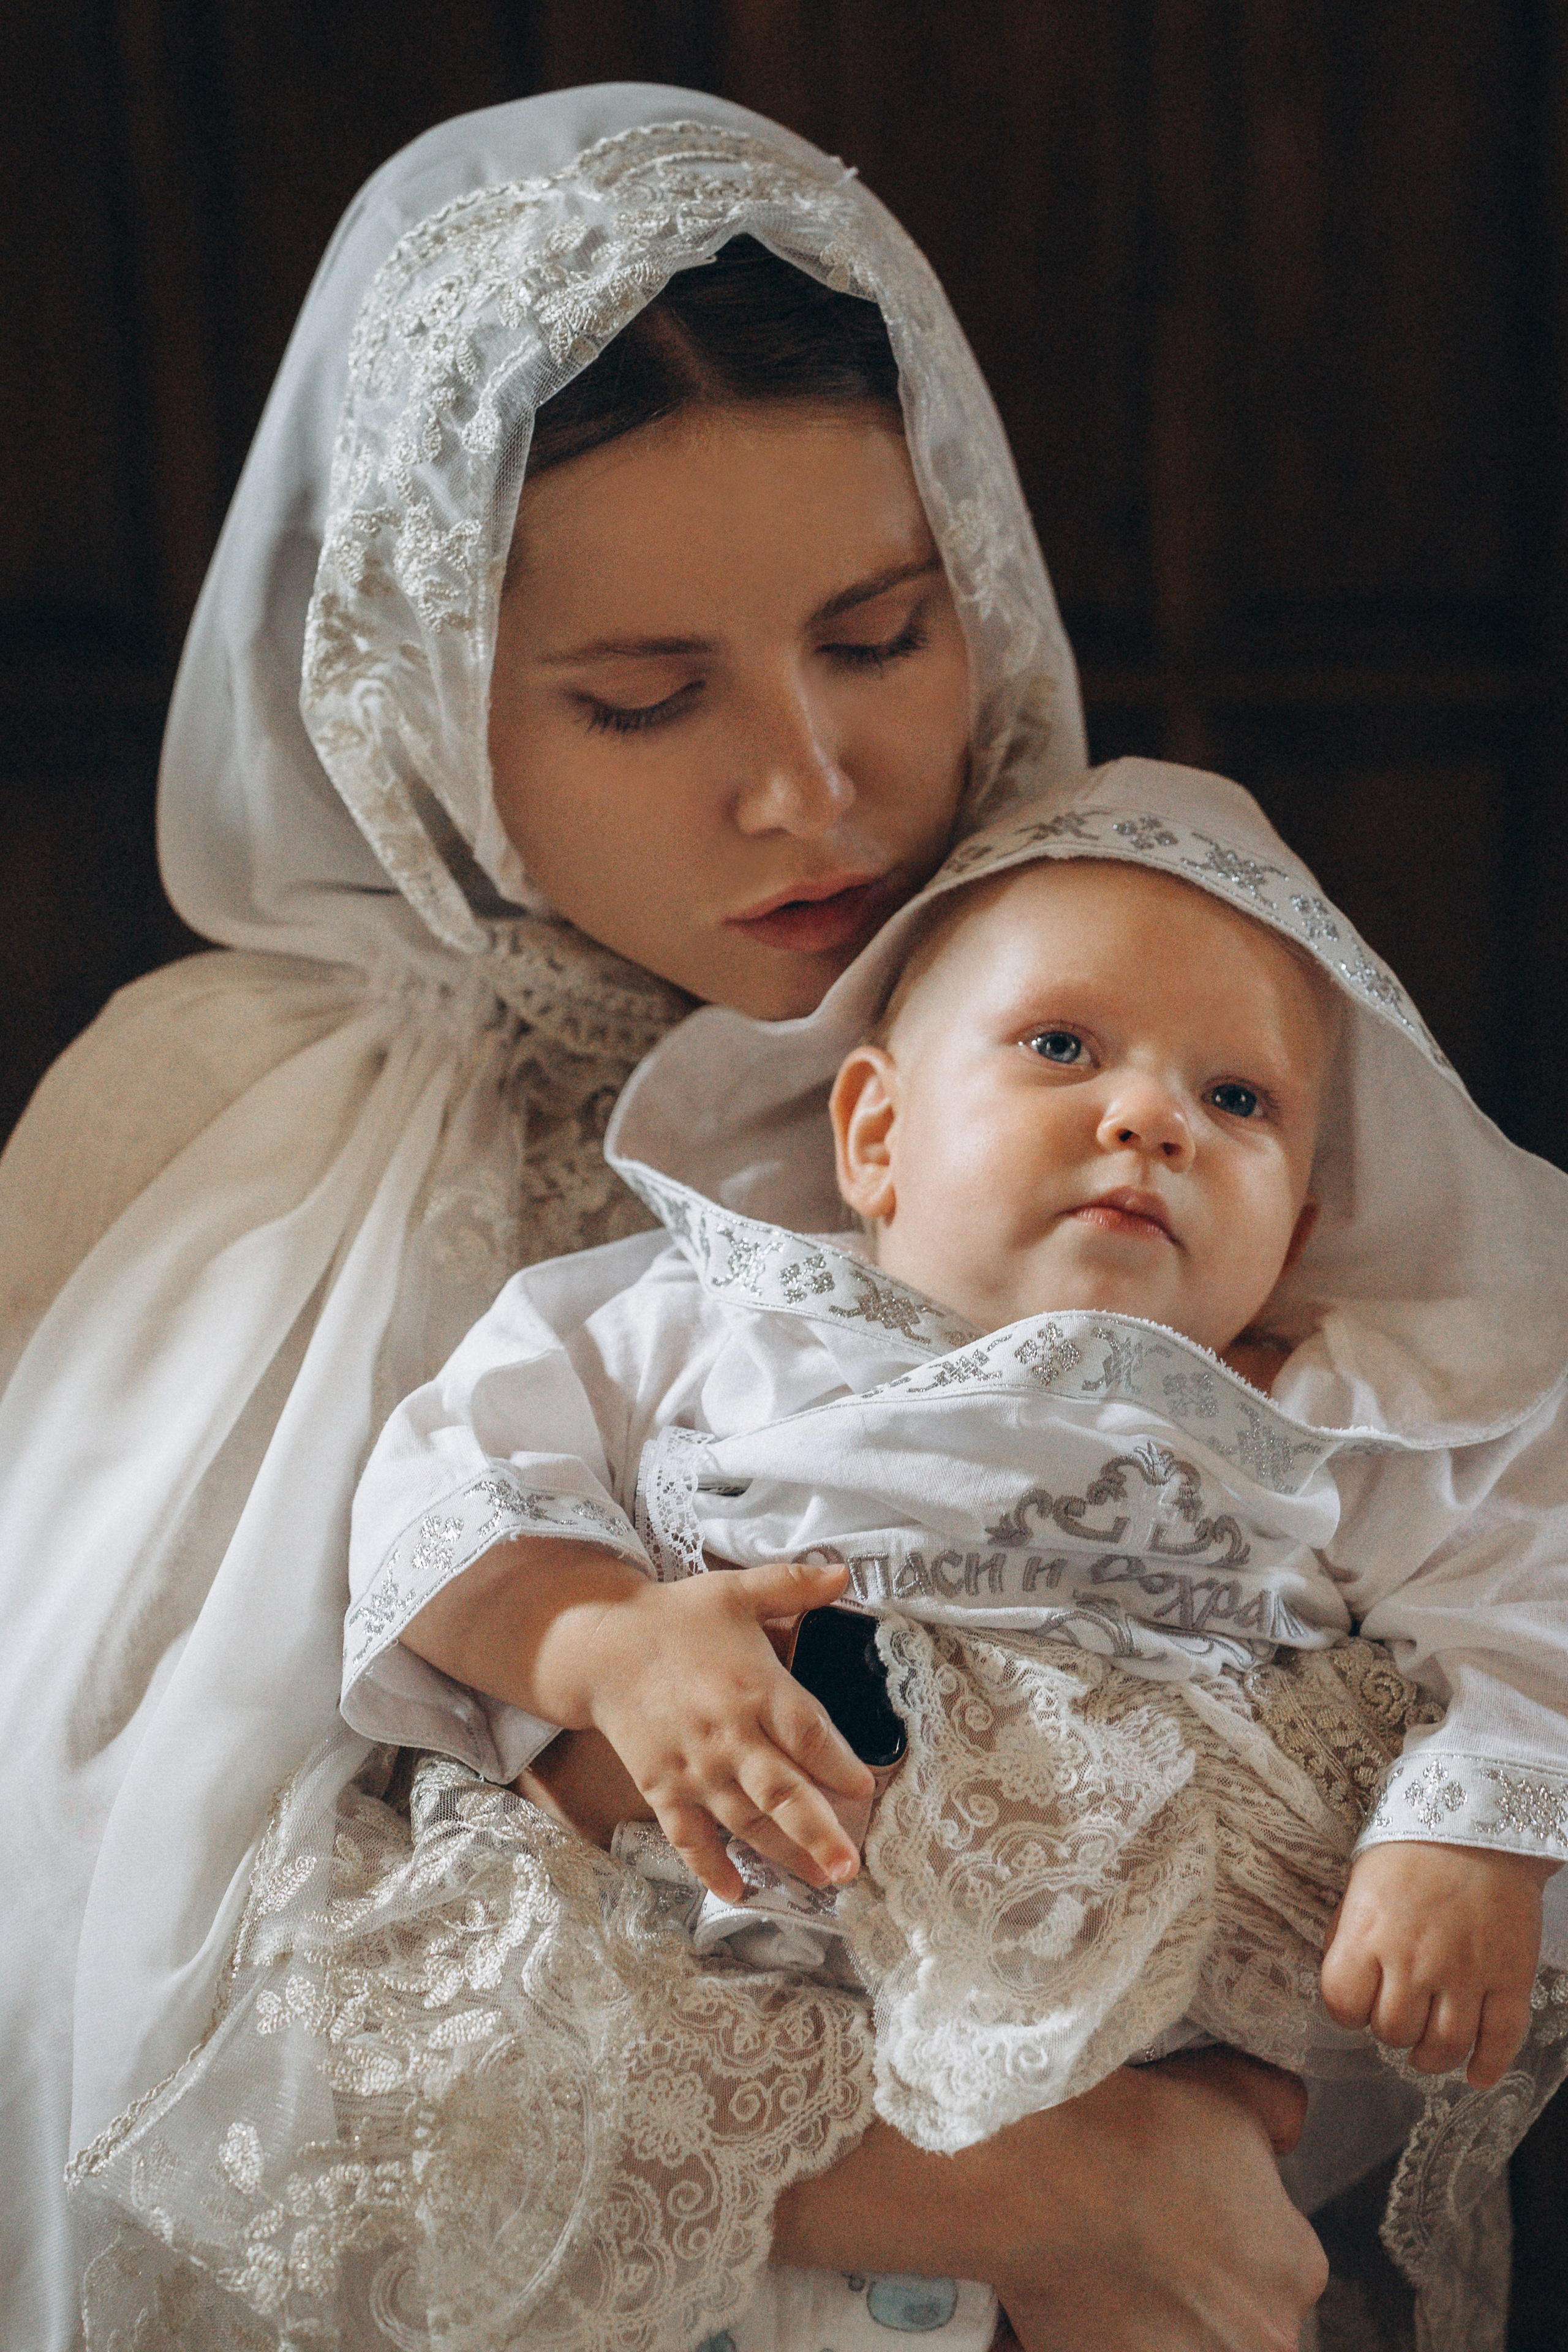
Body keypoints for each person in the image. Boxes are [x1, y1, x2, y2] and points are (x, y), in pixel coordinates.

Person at [2, 85, 1334, 2352]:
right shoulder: (206, 1117)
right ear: (424, 714)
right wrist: (1006, 2173)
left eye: (886, 637)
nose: (809, 788)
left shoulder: (1139, 1032)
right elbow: (98, 1980)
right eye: (641, 699)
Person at [337, 767, 1568, 2350]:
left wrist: (1472, 1829)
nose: (1149, 1119)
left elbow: (1527, 1602)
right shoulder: (709, 1318)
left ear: (1300, 1232)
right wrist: (605, 1645)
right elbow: (463, 1481)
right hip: (723, 1965)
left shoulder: (1338, 1415)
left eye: (1238, 1103)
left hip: (1158, 2050)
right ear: (875, 1130)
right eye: (1061, 1047)